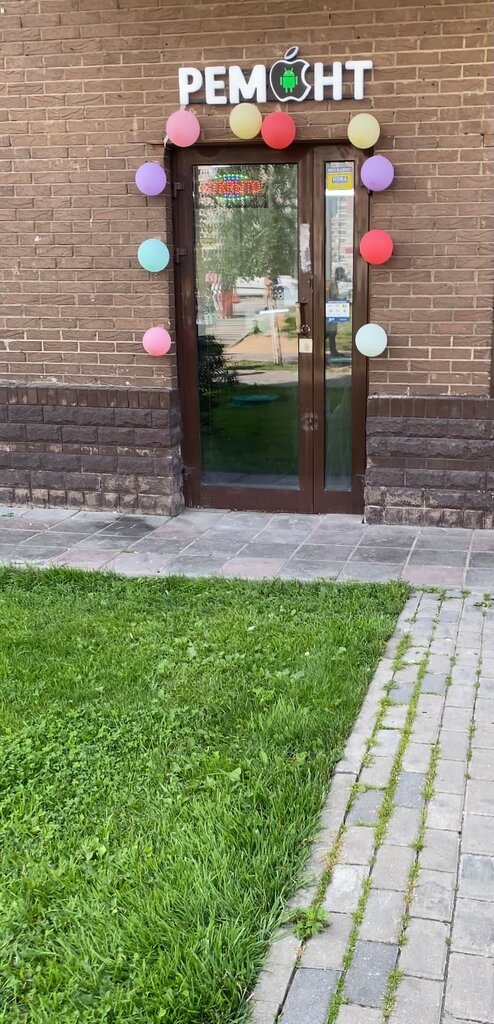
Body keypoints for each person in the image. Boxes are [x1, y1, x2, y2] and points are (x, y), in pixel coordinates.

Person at [325, 275, 340, 358]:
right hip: (328, 314)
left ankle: (333, 351)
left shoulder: (332, 285)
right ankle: (333, 352)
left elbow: (335, 295)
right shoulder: (329, 287)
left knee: (332, 333)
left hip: (332, 313)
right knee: (329, 333)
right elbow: (333, 295)